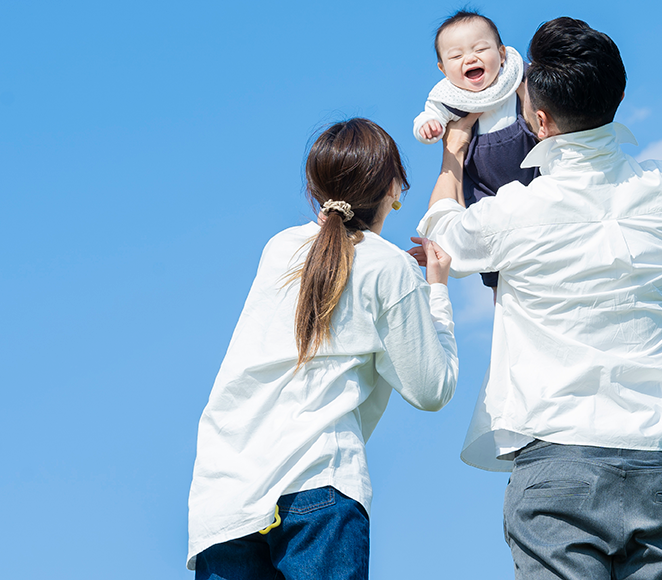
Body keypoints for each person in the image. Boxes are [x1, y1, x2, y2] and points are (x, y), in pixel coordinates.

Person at [415, 17, 662, 579]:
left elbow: (442, 232)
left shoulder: (520, 211)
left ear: (540, 121)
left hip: (558, 455)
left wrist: (453, 155)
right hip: (660, 464)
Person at [187, 118, 459, 579]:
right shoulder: (388, 267)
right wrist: (435, 290)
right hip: (318, 483)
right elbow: (432, 389)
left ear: (315, 190)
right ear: (395, 187)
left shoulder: (280, 249)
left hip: (224, 498)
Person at [412, 9, 540, 290]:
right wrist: (429, 127)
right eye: (456, 57)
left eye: (481, 49)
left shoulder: (517, 79)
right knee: (495, 266)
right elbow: (427, 116)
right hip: (484, 189)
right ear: (443, 70)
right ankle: (497, 290)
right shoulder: (449, 99)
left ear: (502, 54)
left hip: (531, 172)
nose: (470, 58)